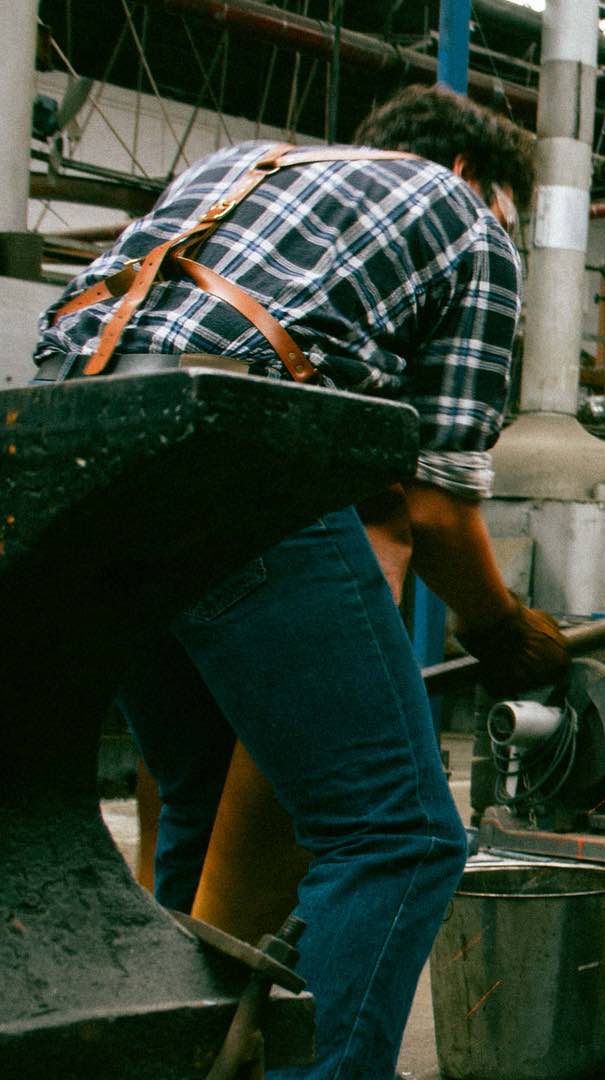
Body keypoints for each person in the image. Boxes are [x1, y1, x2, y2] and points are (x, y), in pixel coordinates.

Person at [33, 85, 566, 1079]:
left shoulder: (238, 171)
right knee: (398, 837)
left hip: (74, 462)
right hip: (233, 463)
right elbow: (441, 505)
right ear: (474, 175)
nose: (512, 227)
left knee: (194, 793)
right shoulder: (469, 222)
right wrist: (504, 631)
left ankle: (190, 1061)